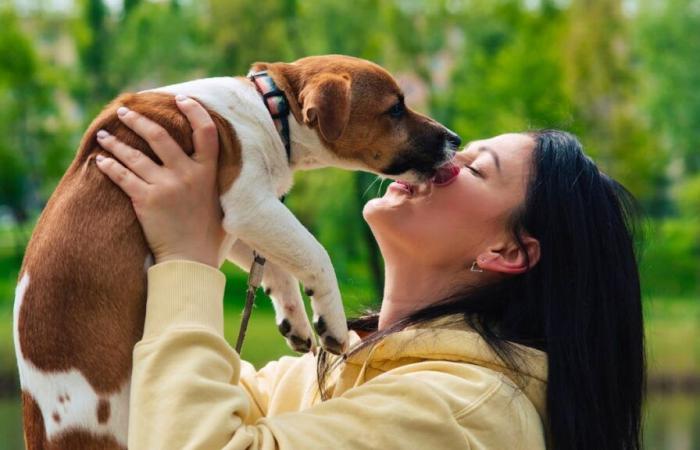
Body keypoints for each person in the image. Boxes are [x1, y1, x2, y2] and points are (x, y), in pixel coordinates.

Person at [95, 96, 645, 450]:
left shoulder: (461, 413)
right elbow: (151, 402)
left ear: (509, 251)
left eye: (474, 169)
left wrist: (187, 259)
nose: (444, 161)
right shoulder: (319, 374)